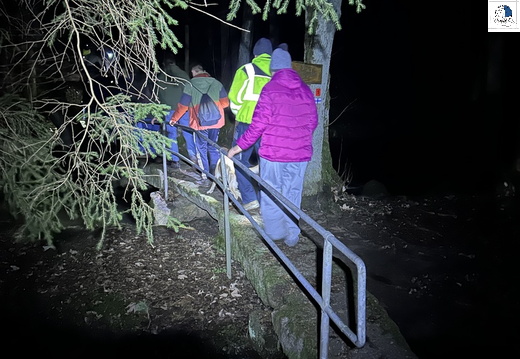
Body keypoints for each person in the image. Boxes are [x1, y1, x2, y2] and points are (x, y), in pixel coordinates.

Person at [227, 48, 318, 247]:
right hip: (300, 155)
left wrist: (238, 147)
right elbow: (313, 122)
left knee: (271, 191)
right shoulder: (305, 90)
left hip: (274, 153)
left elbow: (257, 125)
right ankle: (292, 235)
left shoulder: (269, 89)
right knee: (293, 192)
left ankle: (275, 233)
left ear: (273, 68)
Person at [227, 37, 273, 211]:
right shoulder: (277, 72)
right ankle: (266, 202)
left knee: (239, 160)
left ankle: (249, 198)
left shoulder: (246, 70)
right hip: (269, 127)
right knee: (267, 163)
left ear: (255, 53)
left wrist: (239, 113)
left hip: (247, 123)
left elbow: (235, 98)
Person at [169, 64, 229, 183]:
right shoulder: (216, 83)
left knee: (201, 150)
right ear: (203, 71)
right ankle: (216, 175)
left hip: (199, 123)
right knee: (213, 147)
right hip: (216, 122)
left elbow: (183, 106)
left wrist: (174, 119)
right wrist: (213, 110)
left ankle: (205, 178)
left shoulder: (190, 84)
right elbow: (226, 103)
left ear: (193, 72)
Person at [158, 55, 198, 168]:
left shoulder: (161, 77)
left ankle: (175, 160)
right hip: (184, 109)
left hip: (169, 110)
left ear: (164, 65)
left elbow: (159, 95)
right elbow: (190, 90)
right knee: (188, 133)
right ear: (175, 63)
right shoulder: (183, 75)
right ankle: (193, 156)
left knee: (171, 135)